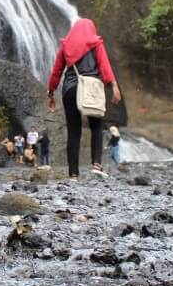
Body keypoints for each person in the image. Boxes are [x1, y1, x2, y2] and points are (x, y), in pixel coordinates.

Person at [46, 18, 121, 179]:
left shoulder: (66, 45)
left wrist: (51, 93)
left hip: (70, 90)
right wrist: (113, 86)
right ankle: (96, 163)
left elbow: (57, 71)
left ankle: (73, 173)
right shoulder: (95, 43)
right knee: (96, 126)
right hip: (91, 88)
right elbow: (104, 65)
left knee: (74, 131)